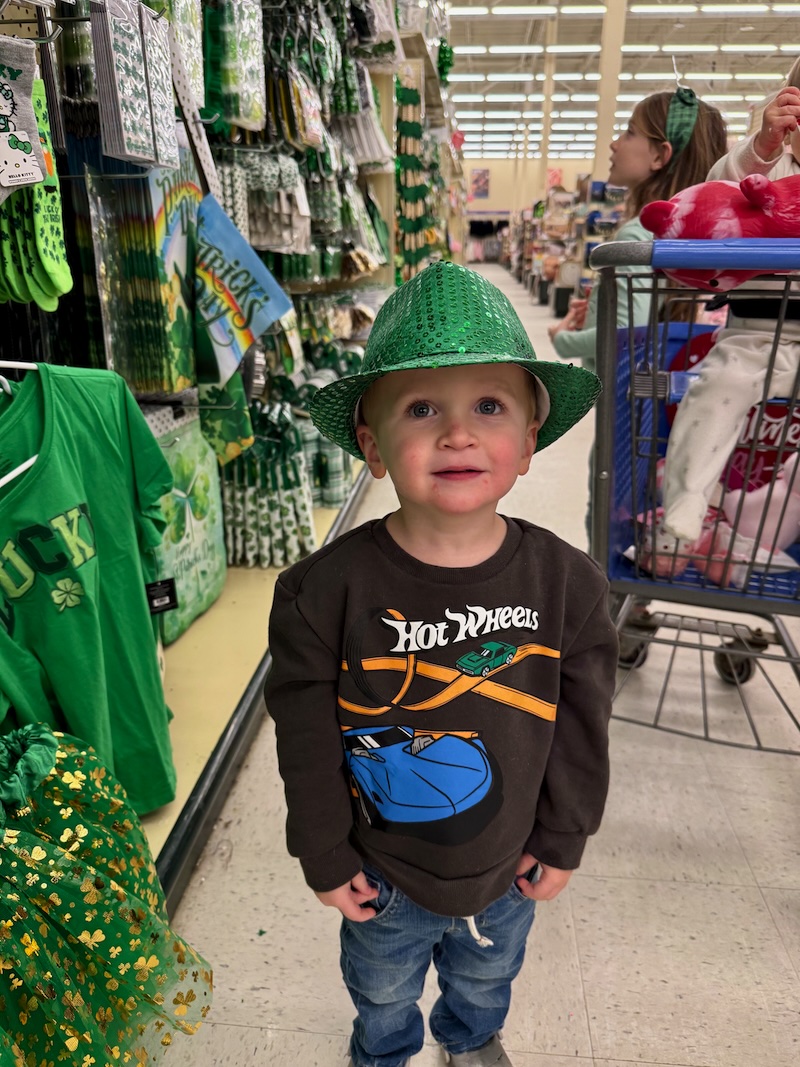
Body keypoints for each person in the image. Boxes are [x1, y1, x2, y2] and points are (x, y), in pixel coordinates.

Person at [264, 261, 618, 1067]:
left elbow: (583, 725)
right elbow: (304, 737)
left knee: (488, 974)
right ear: (372, 445)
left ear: (529, 442)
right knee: (382, 986)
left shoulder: (568, 586)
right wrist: (323, 851)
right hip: (380, 868)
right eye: (422, 408)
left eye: (489, 406)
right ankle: (383, 1049)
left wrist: (564, 834)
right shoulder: (323, 591)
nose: (458, 433)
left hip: (509, 861)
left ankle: (470, 1037)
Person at [656, 62, 800, 555]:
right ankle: (688, 497)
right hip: (755, 331)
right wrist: (760, 148)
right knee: (717, 390)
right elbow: (719, 192)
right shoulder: (769, 165)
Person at [548, 88, 728, 373]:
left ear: (660, 155)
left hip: (626, 391)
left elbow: (626, 335)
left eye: (630, 132)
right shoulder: (693, 233)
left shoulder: (637, 235)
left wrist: (563, 340)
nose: (614, 144)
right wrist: (599, 310)